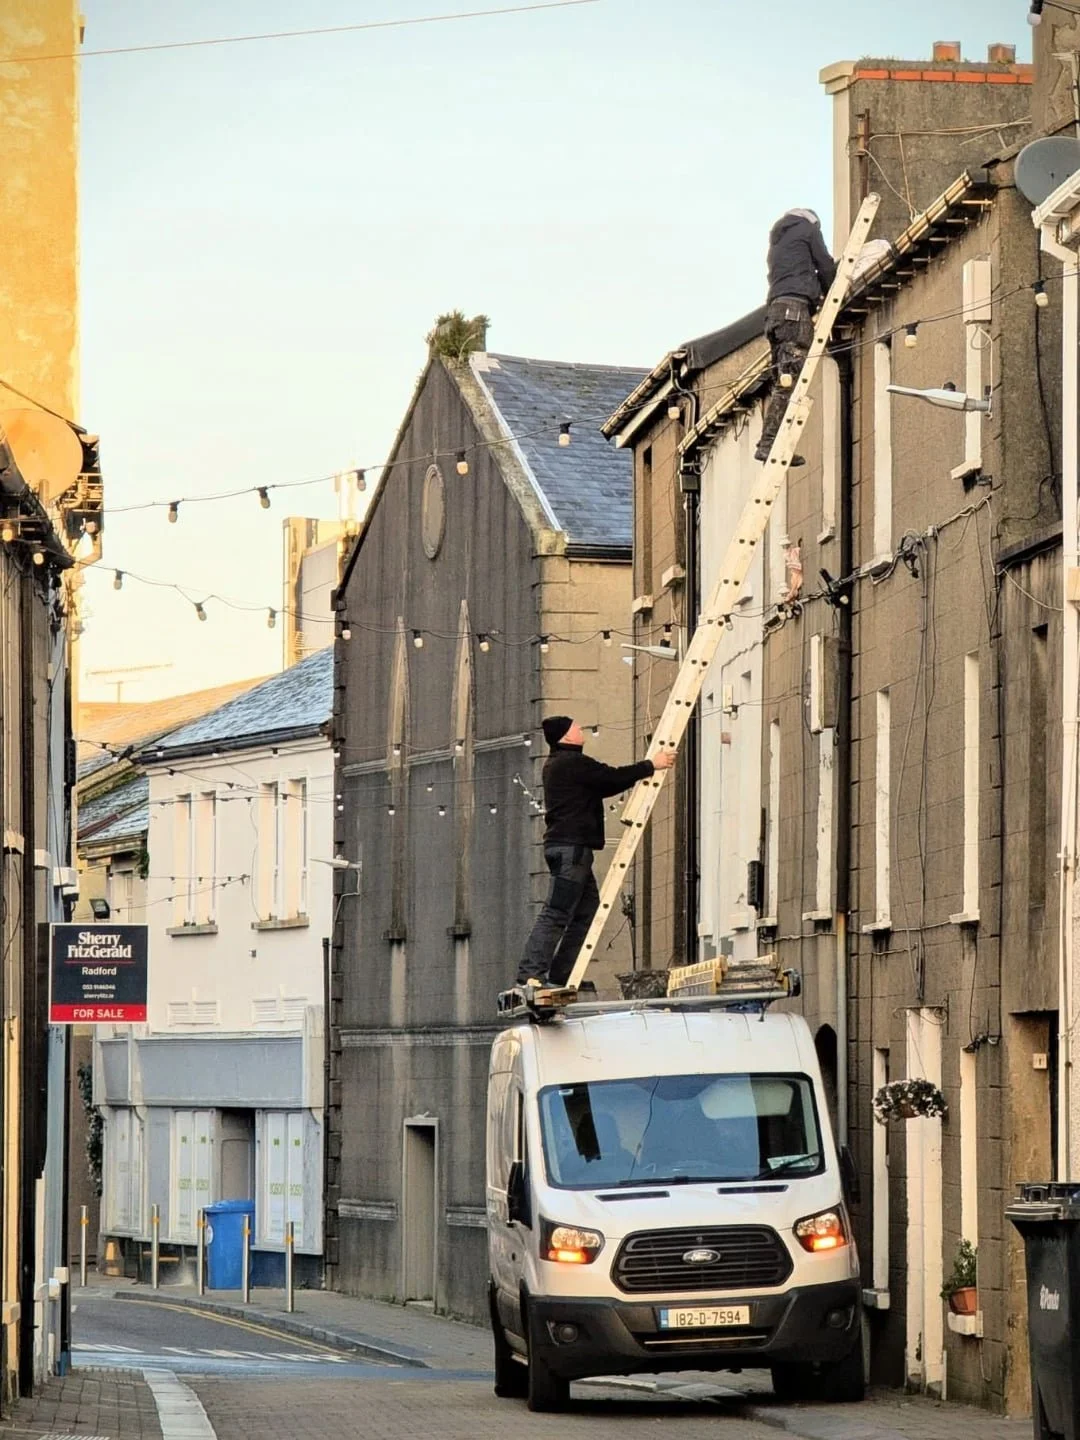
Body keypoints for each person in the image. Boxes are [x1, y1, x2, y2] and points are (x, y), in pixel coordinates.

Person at [516, 716, 675, 989]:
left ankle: (559, 975)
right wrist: (652, 765)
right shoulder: (572, 764)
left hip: (567, 850)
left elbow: (604, 781)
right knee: (556, 913)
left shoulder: (558, 764)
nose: (582, 728)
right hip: (572, 851)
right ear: (566, 736)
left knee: (586, 910)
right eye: (575, 727)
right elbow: (611, 779)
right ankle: (531, 975)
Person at [755, 208, 837, 464]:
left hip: (775, 315)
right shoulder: (809, 230)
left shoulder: (778, 241)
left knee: (783, 380)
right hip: (795, 312)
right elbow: (824, 264)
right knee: (790, 382)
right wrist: (830, 290)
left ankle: (774, 444)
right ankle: (769, 444)